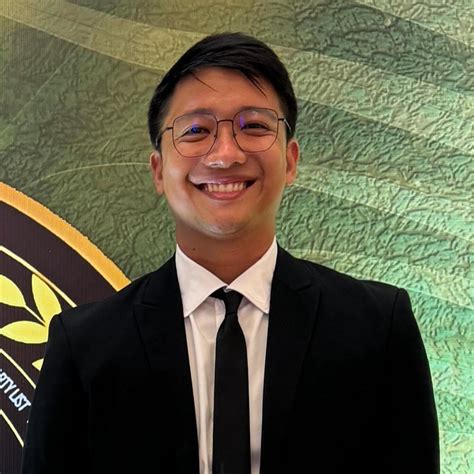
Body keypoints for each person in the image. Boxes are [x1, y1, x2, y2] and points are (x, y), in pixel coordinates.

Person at [21, 33, 439, 474]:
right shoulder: (84, 345)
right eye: (196, 131)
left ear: (291, 160)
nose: (225, 154)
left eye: (253, 126)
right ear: (158, 170)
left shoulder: (378, 327)